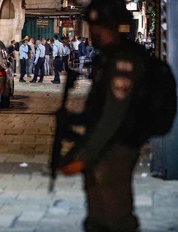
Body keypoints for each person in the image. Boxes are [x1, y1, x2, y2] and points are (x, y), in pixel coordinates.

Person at [54, 0, 176, 231]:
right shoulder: (106, 59)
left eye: (98, 26)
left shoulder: (123, 61)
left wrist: (85, 154)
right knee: (98, 217)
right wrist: (75, 119)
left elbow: (113, 116)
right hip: (104, 146)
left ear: (112, 26)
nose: (94, 32)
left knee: (115, 215)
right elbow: (99, 108)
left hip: (117, 148)